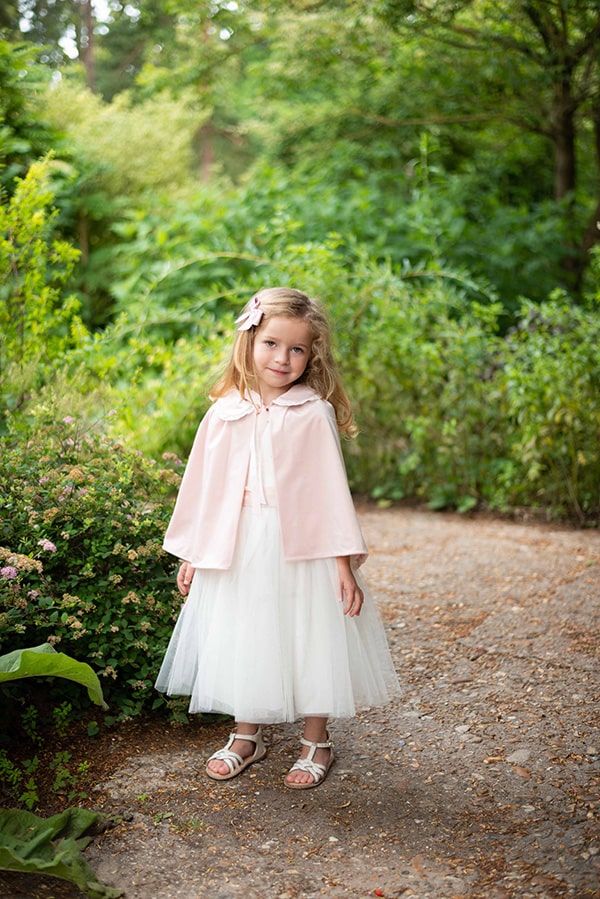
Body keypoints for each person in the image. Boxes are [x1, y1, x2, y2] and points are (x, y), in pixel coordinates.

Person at [155, 287, 399, 789]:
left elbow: (329, 493)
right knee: (248, 633)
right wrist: (195, 552)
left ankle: (316, 739)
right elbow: (204, 486)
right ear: (248, 340)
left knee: (310, 634)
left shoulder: (312, 413)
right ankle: (247, 734)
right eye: (270, 343)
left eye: (296, 349)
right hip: (237, 542)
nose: (281, 358)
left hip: (302, 546)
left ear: (312, 356)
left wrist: (341, 564)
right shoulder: (224, 411)